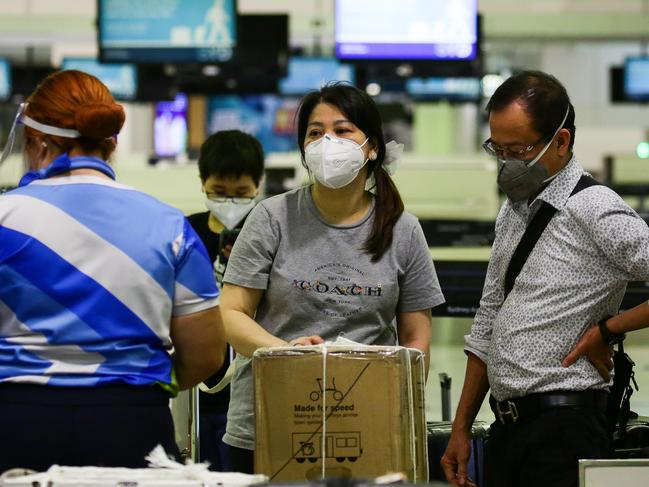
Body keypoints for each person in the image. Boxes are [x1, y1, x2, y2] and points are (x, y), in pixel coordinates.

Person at [0, 70, 226, 472]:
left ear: (36, 143)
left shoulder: (5, 217)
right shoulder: (169, 225)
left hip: (17, 420)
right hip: (132, 422)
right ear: (112, 143)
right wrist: (145, 382)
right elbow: (206, 354)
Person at [219, 82, 445, 473]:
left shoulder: (402, 230)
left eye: (342, 131)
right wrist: (285, 353)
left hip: (368, 425)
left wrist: (393, 413)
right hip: (268, 422)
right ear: (304, 149)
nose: (328, 142)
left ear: (371, 147)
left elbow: (415, 342)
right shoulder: (271, 218)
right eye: (315, 132)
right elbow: (231, 313)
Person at [440, 70, 649, 487]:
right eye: (496, 149)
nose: (506, 162)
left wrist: (609, 328)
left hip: (563, 429)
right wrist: (461, 428)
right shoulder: (514, 210)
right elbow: (487, 322)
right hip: (508, 428)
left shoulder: (595, 208)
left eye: (517, 149)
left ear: (562, 141)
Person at [187, 129, 264, 471]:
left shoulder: (268, 232)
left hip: (251, 381)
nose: (230, 201)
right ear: (202, 183)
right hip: (200, 380)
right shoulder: (185, 232)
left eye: (241, 193)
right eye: (219, 192)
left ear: (258, 186)